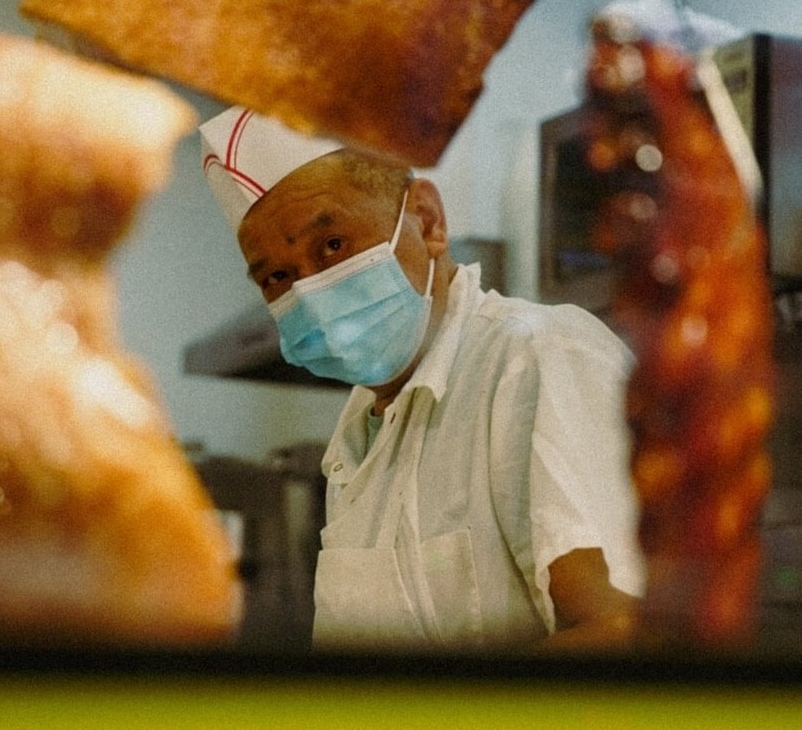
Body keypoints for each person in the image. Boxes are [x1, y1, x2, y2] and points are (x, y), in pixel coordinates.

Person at [200, 106, 645, 649]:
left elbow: (626, 632)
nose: (310, 295)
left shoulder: (537, 358)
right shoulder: (359, 436)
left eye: (333, 245)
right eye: (276, 277)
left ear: (428, 221)